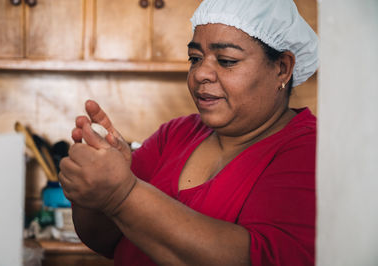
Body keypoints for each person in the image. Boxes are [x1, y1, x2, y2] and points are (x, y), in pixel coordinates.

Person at [58, 0, 318, 265]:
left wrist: (122, 195)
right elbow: (104, 239)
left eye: (227, 61)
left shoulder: (309, 150)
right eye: (195, 58)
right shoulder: (176, 133)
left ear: (282, 68)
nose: (200, 73)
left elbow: (257, 259)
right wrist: (94, 189)